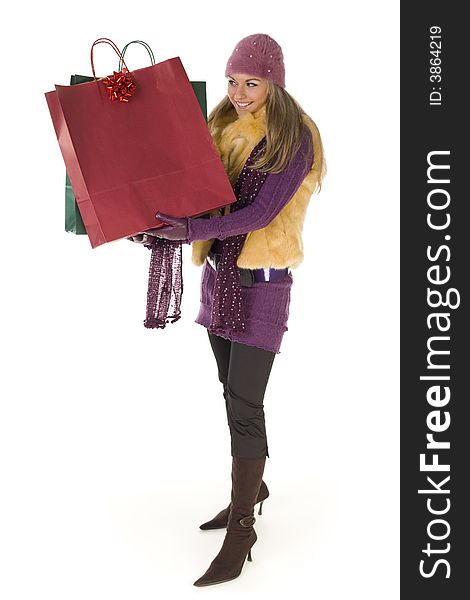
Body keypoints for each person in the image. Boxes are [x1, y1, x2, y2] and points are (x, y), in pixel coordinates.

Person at [129, 33, 325, 587]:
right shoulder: (218, 130)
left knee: (245, 403)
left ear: (275, 84)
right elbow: (196, 196)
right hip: (220, 278)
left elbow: (259, 213)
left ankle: (243, 529)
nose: (239, 93)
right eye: (234, 81)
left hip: (263, 285)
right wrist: (149, 222)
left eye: (252, 83)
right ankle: (254, 486)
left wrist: (189, 228)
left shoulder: (297, 139)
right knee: (230, 389)